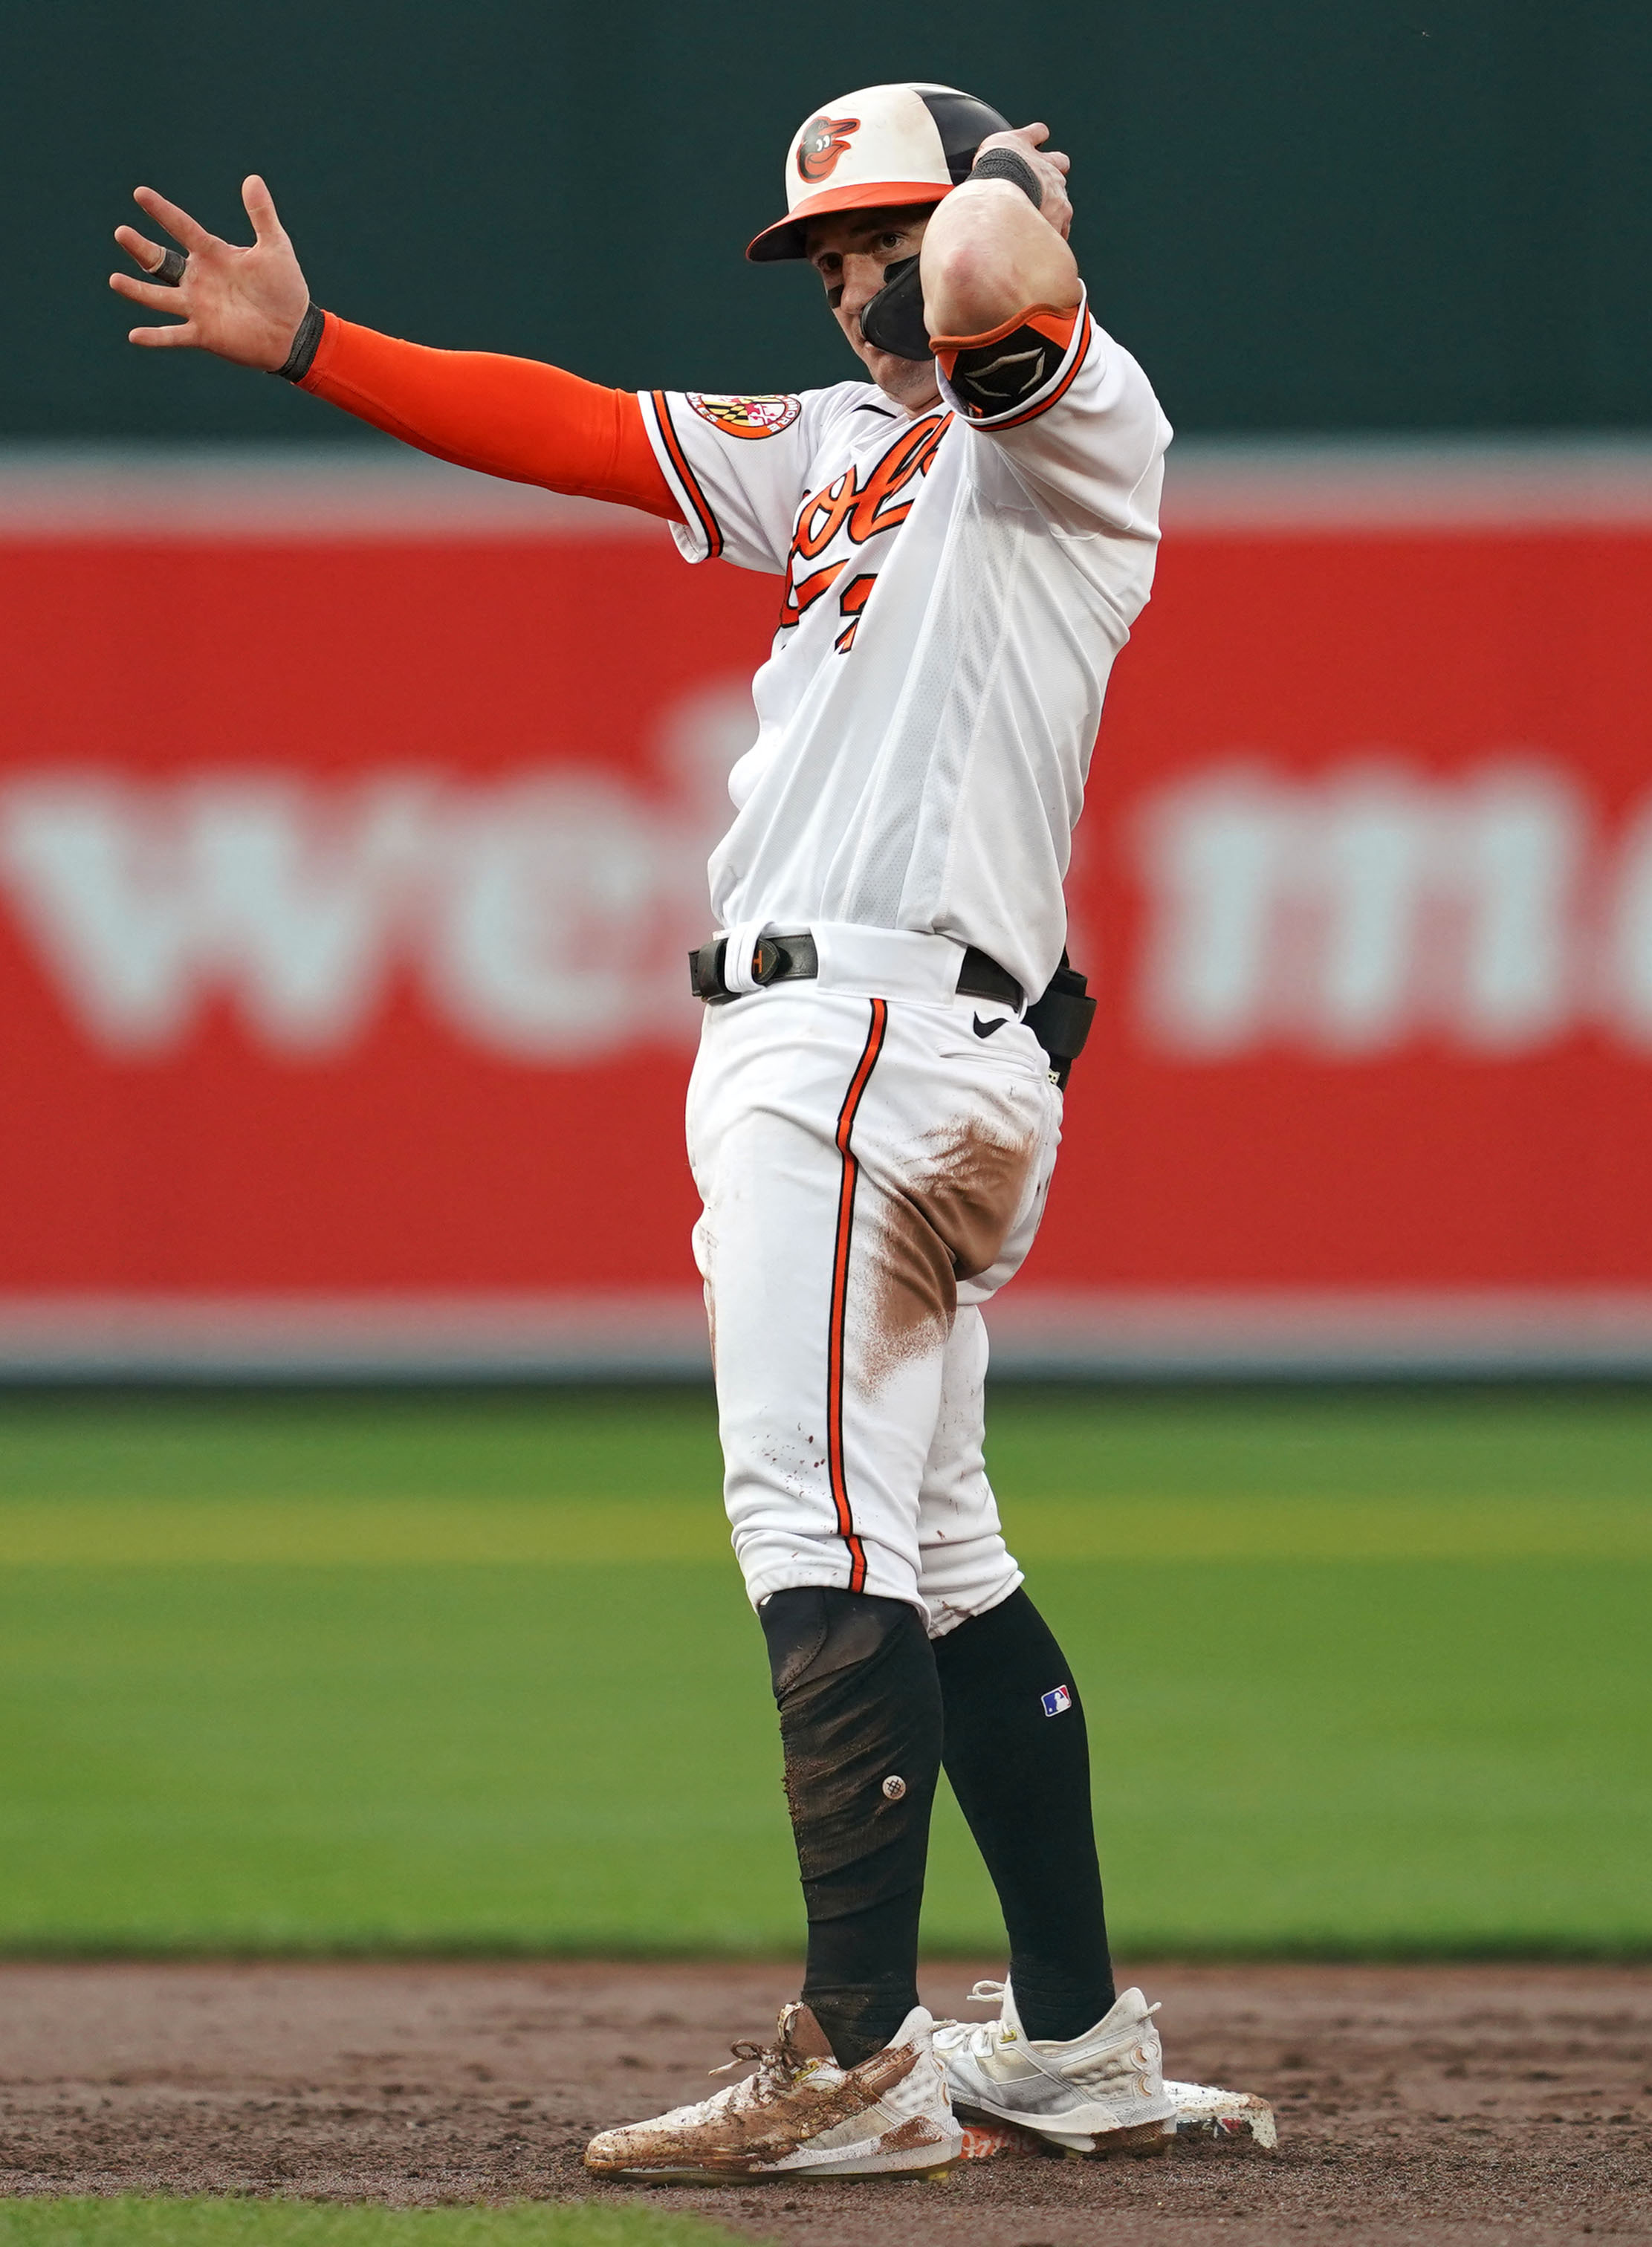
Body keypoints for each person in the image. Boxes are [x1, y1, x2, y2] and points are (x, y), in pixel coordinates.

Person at [111, 82, 1248, 2179]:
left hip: (868, 1040)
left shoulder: (1068, 424)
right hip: (875, 1038)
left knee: (807, 1534)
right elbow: (578, 429)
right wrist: (318, 346)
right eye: (820, 259)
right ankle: (1078, 2039)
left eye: (869, 243)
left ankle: (858, 2061)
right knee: (946, 1560)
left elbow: (997, 284)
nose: (847, 286)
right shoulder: (831, 451)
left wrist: (1008, 188)